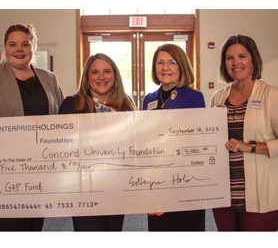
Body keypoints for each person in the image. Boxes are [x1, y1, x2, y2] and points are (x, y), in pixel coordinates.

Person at [59, 53, 136, 231]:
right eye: (94, 72)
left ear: (115, 75)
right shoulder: (72, 104)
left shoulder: (126, 103)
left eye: (107, 71)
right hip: (84, 189)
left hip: (117, 187)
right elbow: (61, 146)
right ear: (87, 77)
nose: (101, 77)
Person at [210, 34, 278, 231]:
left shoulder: (271, 95)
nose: (235, 62)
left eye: (242, 56)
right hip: (223, 192)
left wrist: (249, 146)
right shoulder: (218, 97)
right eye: (229, 58)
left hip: (260, 193)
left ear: (253, 60)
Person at [0, 23, 64, 231]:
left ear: (33, 47)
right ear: (5, 47)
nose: (19, 49)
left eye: (25, 44)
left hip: (41, 169)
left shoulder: (49, 78)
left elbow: (63, 119)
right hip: (7, 172)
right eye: (13, 44)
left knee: (35, 225)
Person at [143, 43, 206, 231]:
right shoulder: (149, 99)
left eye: (172, 62)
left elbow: (190, 150)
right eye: (160, 62)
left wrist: (168, 198)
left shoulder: (194, 98)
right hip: (154, 181)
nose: (165, 67)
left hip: (184, 185)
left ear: (182, 66)